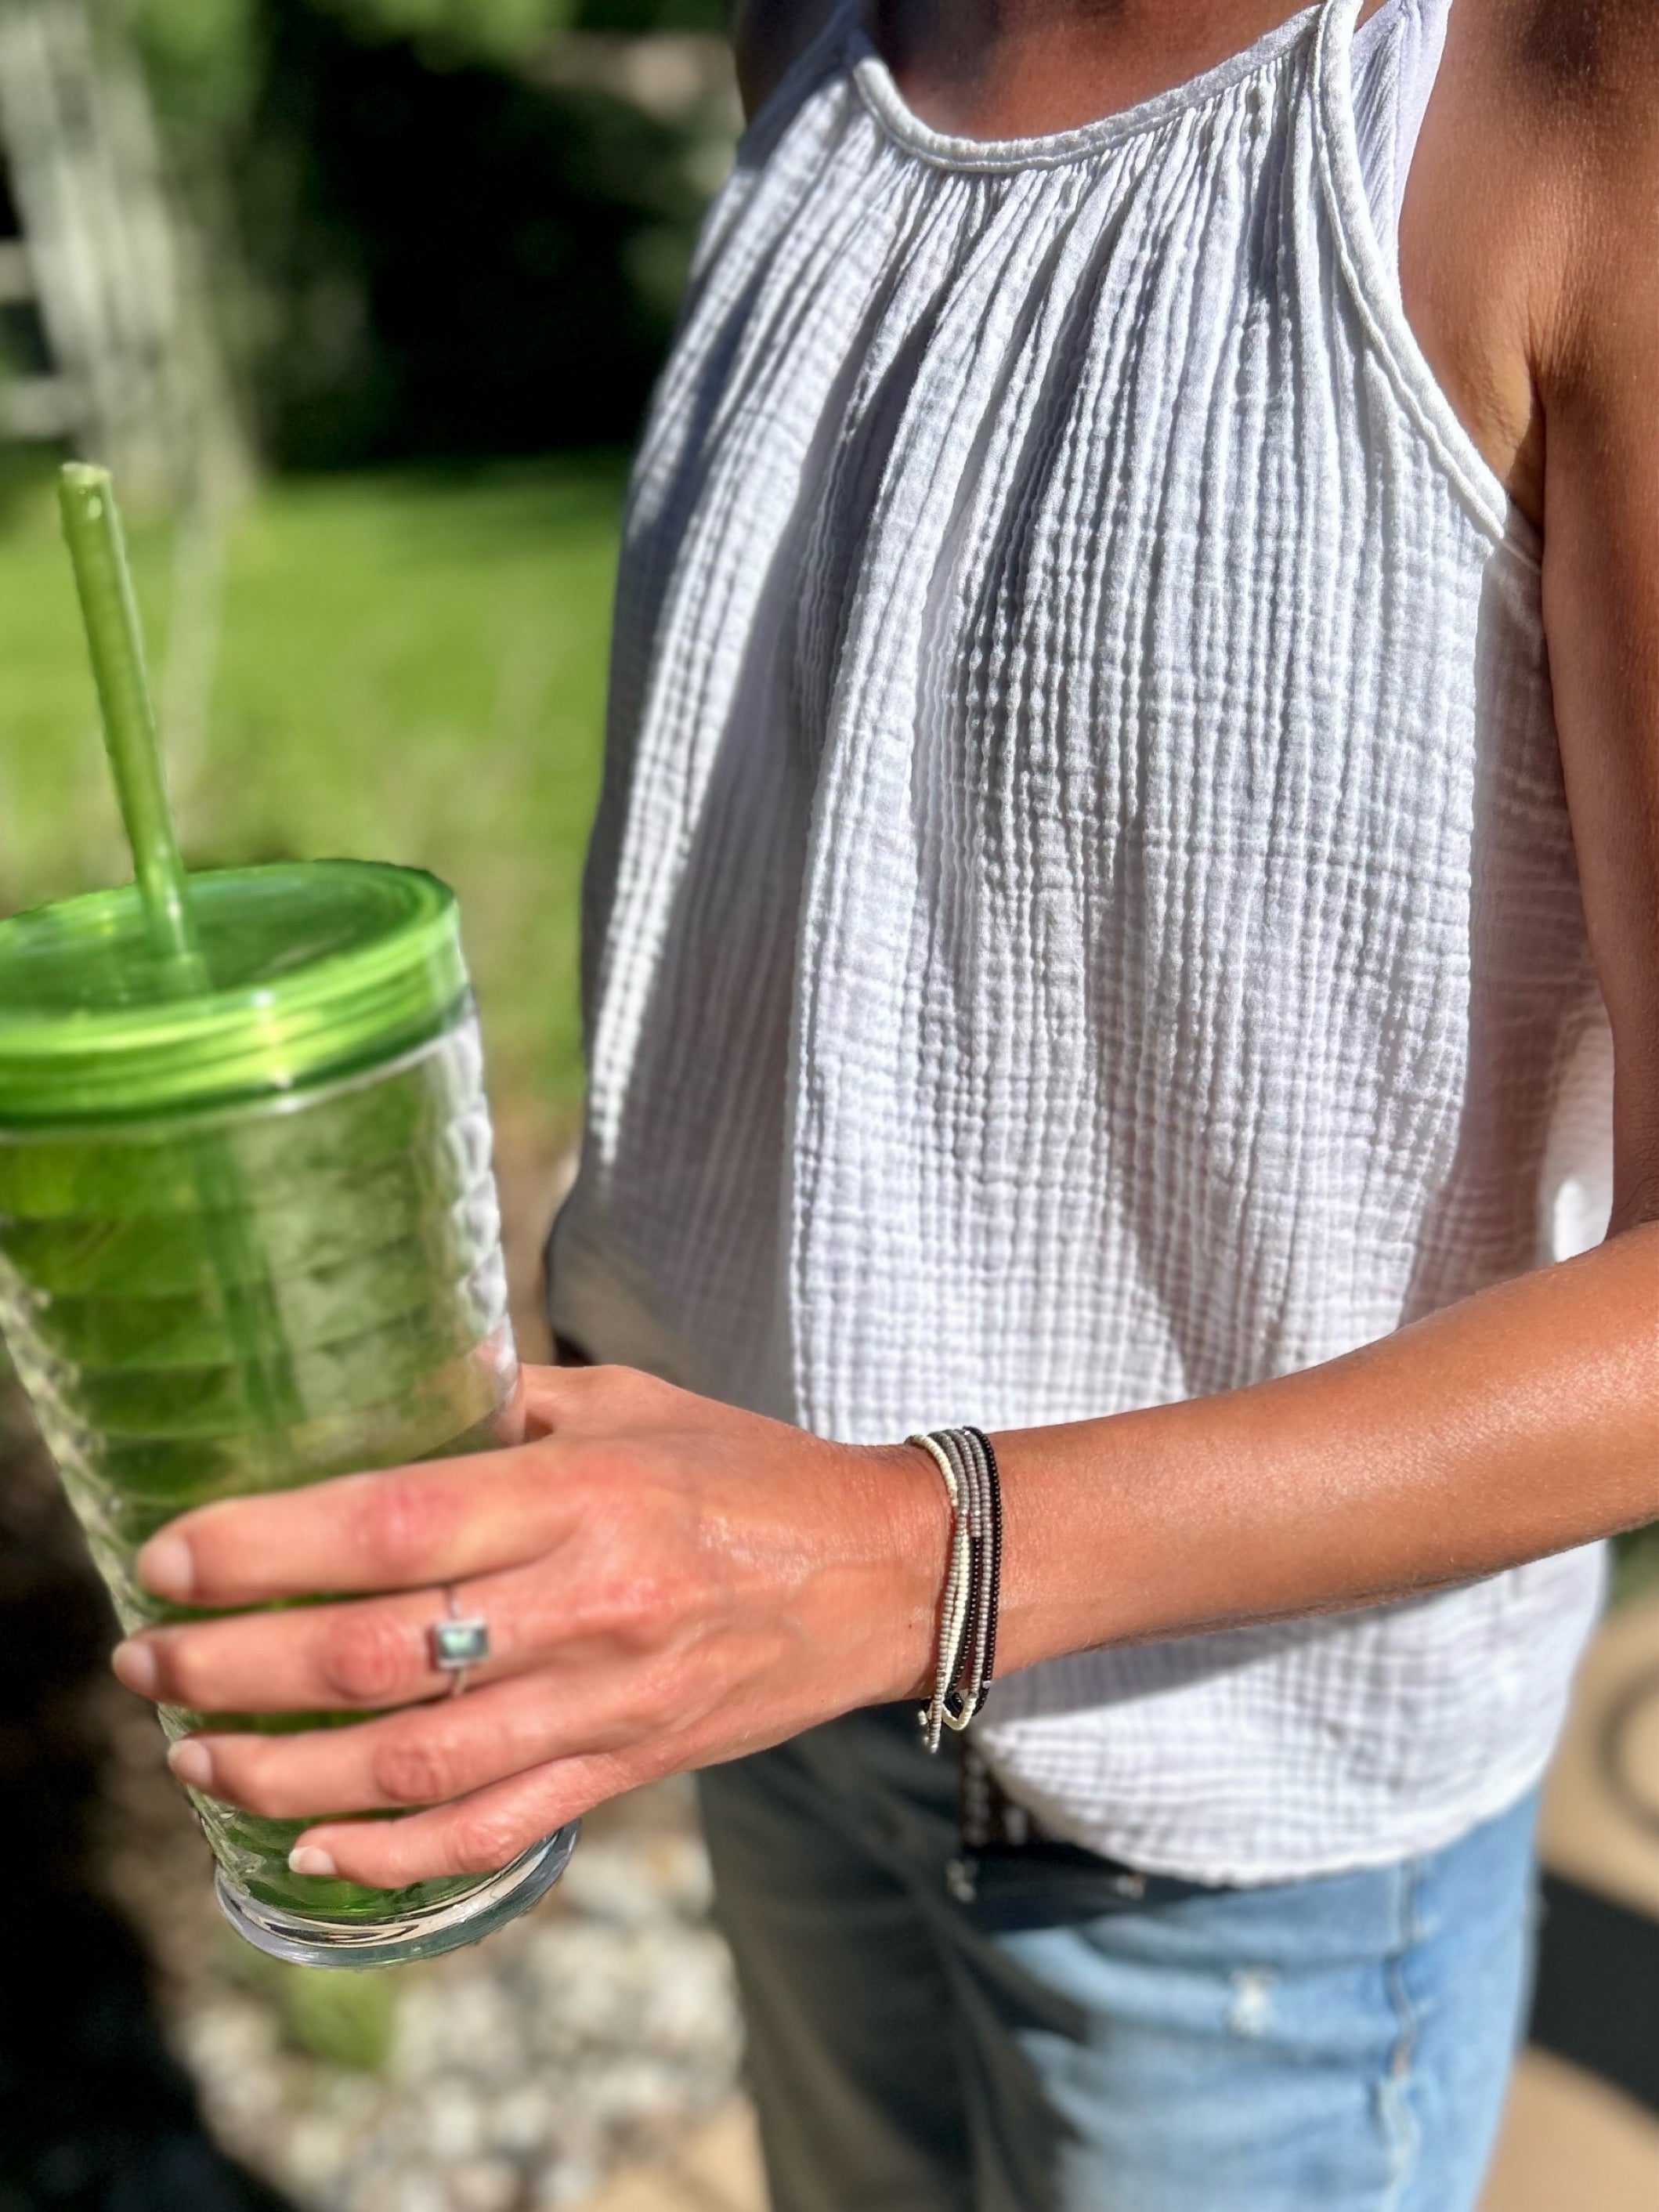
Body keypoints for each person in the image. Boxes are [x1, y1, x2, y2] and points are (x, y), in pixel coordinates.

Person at [110, 2, 1659, 2204]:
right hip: (774, 1730)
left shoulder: (1567, 85)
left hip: (1230, 1862)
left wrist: (889, 1565)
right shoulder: (820, 38)